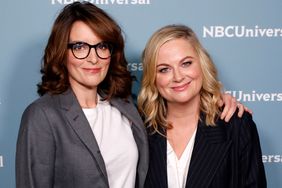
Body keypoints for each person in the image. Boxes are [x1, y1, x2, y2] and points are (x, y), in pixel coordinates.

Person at [16, 2, 248, 188]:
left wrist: (217, 99)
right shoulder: (42, 116)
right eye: (79, 47)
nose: (93, 58)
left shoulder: (126, 109)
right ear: (62, 52)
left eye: (102, 46)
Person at [138, 25, 266, 188]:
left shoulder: (236, 126)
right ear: (153, 78)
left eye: (186, 63)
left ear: (202, 64)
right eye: (164, 69)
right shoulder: (138, 131)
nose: (178, 77)